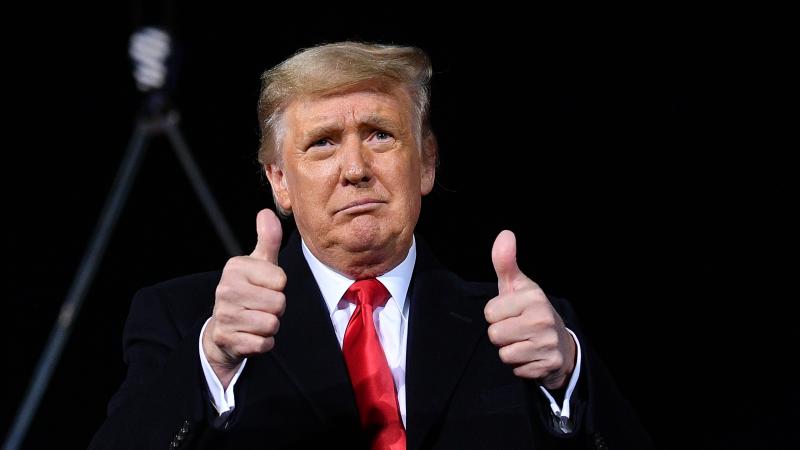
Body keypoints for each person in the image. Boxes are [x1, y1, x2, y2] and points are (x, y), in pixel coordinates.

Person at [90, 41, 652, 449]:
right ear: (279, 181)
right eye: (323, 143)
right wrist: (212, 360)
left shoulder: (520, 327)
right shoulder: (187, 322)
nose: (355, 169)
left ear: (426, 163)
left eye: (381, 135)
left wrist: (567, 377)